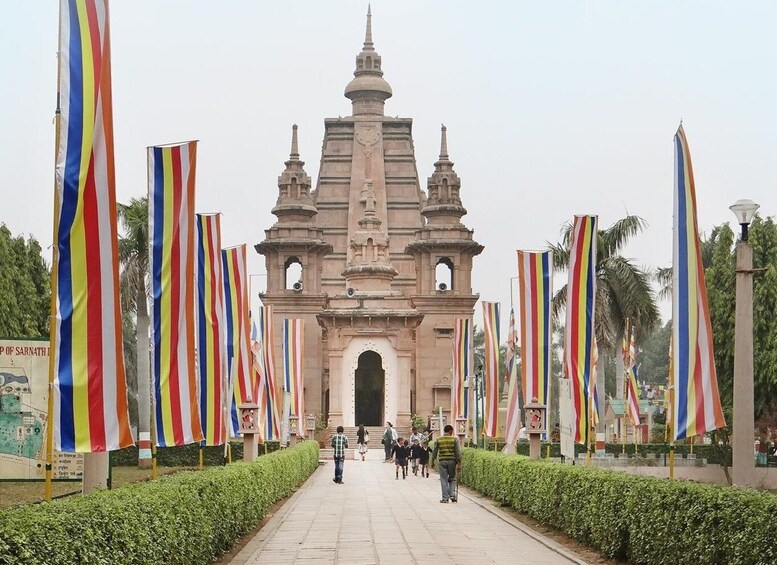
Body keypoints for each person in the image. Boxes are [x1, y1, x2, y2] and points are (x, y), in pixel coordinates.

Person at [431, 424, 461, 503]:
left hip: (442, 461)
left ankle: (445, 498)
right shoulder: (455, 439)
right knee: (452, 478)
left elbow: (435, 451)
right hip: (452, 461)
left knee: (443, 480)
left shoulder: (438, 439)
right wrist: (459, 462)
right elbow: (458, 452)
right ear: (450, 430)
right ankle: (452, 494)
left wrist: (432, 461)